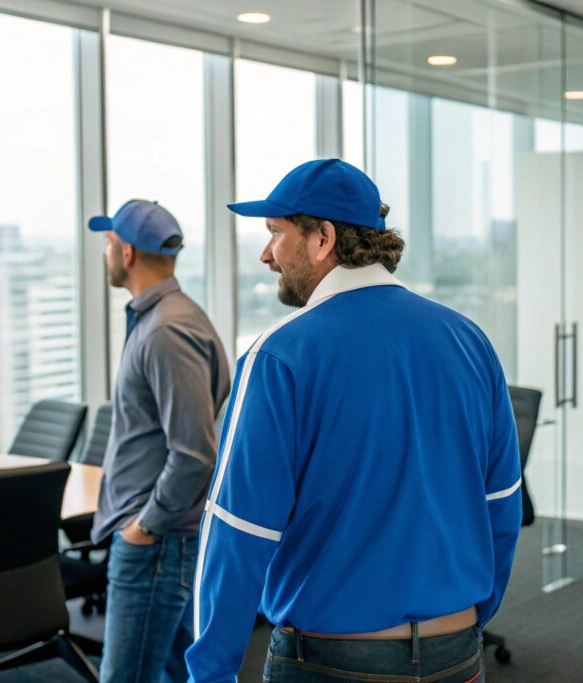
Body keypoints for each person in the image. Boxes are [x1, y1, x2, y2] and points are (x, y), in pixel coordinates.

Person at [186, 159, 522, 682]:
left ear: (323, 237)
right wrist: (470, 620)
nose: (266, 254)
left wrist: (210, 673)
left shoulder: (278, 357)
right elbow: (501, 502)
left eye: (276, 232)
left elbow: (238, 531)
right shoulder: (469, 340)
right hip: (457, 655)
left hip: (334, 665)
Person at [88, 199, 230, 682]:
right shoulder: (161, 319)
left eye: (108, 242)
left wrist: (145, 527)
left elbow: (194, 452)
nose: (105, 252)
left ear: (126, 252)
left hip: (155, 543)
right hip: (157, 539)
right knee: (174, 670)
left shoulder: (167, 329)